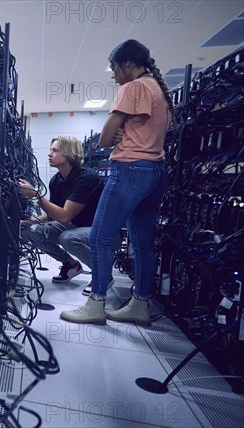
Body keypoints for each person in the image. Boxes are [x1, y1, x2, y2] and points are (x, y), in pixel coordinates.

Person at [60, 39, 172, 326]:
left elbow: (105, 138)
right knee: (143, 244)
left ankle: (96, 304)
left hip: (129, 169)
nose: (113, 74)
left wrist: (117, 131)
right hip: (155, 171)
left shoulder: (133, 87)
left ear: (128, 64)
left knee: (99, 238)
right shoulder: (158, 89)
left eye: (114, 67)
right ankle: (140, 304)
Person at [18, 136, 109, 295]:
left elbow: (64, 216)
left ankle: (103, 276)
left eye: (55, 150)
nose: (49, 154)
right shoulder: (56, 180)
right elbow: (53, 212)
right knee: (30, 232)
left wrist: (36, 195)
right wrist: (31, 222)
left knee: (67, 238)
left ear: (69, 153)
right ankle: (71, 265)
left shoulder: (86, 178)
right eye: (50, 150)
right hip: (75, 225)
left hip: (102, 230)